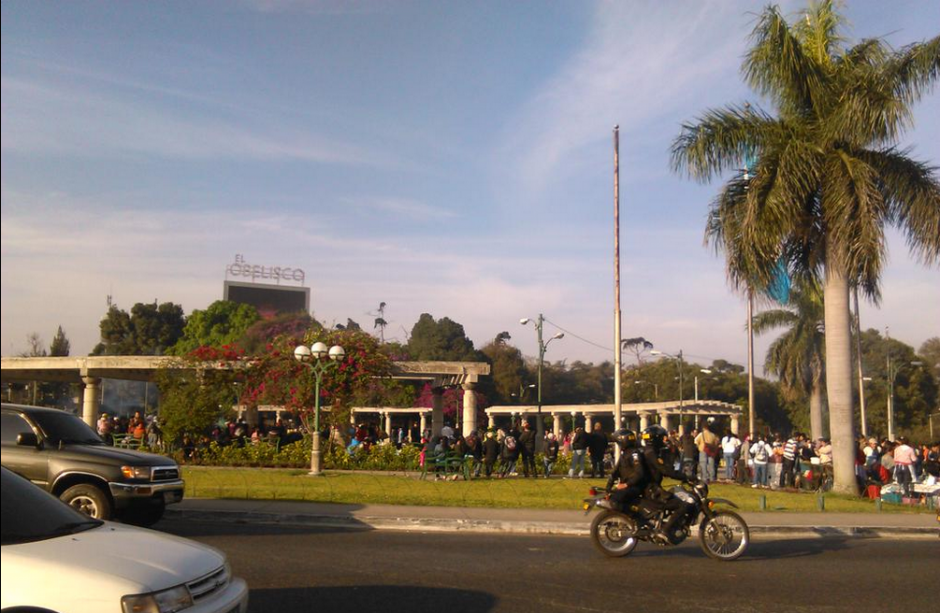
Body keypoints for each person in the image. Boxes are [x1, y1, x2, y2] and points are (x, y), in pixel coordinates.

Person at [639, 425, 695, 544]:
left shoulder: (648, 451)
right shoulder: (651, 453)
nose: (665, 441)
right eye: (663, 438)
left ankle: (663, 525)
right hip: (652, 491)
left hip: (650, 488)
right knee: (682, 505)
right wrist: (685, 476)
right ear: (656, 438)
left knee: (674, 493)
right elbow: (665, 470)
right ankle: (664, 530)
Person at [604, 429, 647, 512]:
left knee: (615, 501)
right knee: (610, 498)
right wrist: (608, 490)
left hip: (635, 486)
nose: (618, 445)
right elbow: (615, 472)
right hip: (627, 486)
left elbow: (640, 473)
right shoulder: (624, 454)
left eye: (618, 443)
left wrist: (626, 484)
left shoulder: (634, 454)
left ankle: (635, 515)